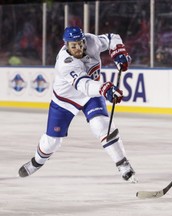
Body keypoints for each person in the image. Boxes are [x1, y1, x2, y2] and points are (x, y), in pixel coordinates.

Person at [18, 26, 137, 183]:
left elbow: (112, 37)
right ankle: (36, 162)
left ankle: (123, 165)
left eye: (80, 43)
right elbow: (84, 85)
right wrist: (104, 88)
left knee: (102, 126)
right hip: (65, 100)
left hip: (90, 96)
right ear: (66, 45)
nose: (78, 48)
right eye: (73, 45)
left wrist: (119, 52)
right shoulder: (65, 63)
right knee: (52, 142)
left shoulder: (91, 41)